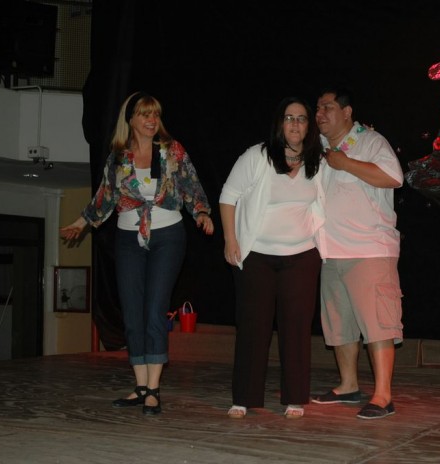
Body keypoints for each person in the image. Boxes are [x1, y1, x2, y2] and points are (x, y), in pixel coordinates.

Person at [60, 91, 214, 416]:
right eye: (144, 114)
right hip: (129, 238)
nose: (151, 120)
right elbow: (104, 196)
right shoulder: (119, 157)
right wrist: (81, 223)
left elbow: (190, 184)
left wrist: (201, 212)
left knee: (155, 310)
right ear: (130, 119)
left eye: (155, 114)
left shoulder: (170, 150)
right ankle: (141, 386)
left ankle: (154, 389)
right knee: (132, 313)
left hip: (167, 235)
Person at [219, 96, 324, 419]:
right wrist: (230, 239)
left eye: (301, 118)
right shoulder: (257, 156)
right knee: (254, 327)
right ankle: (244, 398)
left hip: (302, 256)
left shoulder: (318, 160)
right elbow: (228, 196)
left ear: (309, 126)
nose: (295, 124)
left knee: (296, 328)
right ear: (280, 123)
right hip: (257, 256)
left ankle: (295, 398)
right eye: (289, 117)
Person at [310, 87, 404, 420]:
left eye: (327, 107)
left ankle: (383, 396)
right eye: (318, 108)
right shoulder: (319, 148)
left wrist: (346, 164)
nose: (320, 114)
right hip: (330, 252)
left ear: (347, 112)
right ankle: (348, 385)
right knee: (341, 325)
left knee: (378, 324)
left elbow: (394, 177)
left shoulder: (371, 142)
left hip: (369, 251)